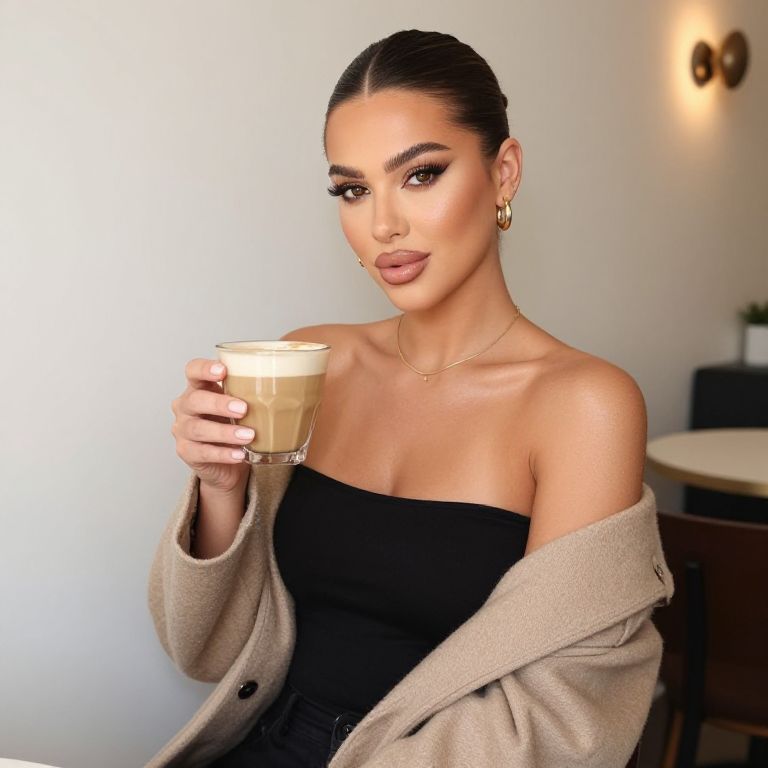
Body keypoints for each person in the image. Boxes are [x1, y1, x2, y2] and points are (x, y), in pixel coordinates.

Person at [147, 29, 673, 768]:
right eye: (353, 189)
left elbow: (564, 719)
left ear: (504, 172)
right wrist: (220, 489)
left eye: (420, 175)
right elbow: (205, 652)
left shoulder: (585, 405)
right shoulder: (310, 364)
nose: (382, 224)